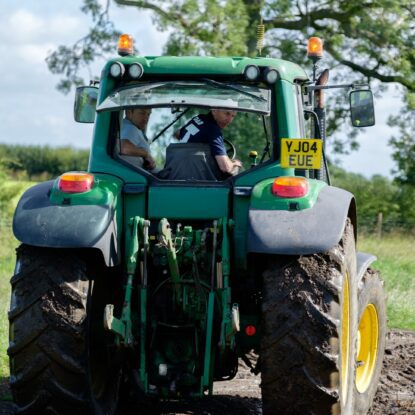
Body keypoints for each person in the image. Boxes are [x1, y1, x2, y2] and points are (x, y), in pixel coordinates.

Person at [177, 109, 243, 175]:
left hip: (176, 171)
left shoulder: (198, 118)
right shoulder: (213, 131)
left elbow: (178, 134)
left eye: (233, 116)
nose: (229, 120)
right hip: (193, 177)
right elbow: (225, 168)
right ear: (214, 110)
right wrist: (236, 164)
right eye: (227, 114)